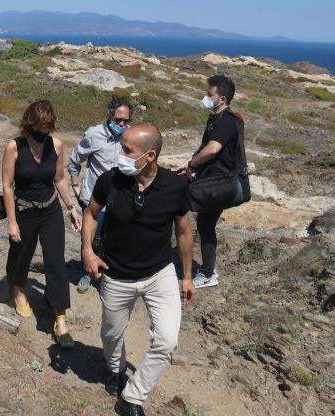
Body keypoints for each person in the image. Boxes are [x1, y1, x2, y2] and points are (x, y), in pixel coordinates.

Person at [81, 125, 196, 416]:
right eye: (121, 147)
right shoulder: (110, 180)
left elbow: (183, 233)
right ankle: (116, 369)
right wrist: (88, 251)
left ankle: (132, 397)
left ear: (150, 155)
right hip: (116, 275)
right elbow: (91, 213)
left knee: (167, 341)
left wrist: (186, 276)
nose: (120, 154)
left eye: (127, 150)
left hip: (159, 275)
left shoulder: (175, 186)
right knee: (111, 335)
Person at [2, 99, 82, 348]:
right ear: (30, 123)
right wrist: (12, 221)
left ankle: (60, 318)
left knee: (56, 261)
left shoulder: (56, 145)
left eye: (48, 126)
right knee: (21, 254)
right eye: (40, 126)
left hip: (50, 210)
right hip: (24, 209)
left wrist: (71, 207)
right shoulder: (15, 147)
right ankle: (18, 289)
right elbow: (7, 186)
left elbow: (59, 178)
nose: (44, 131)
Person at [175, 75, 239, 290]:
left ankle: (208, 273)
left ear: (221, 98)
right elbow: (206, 149)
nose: (205, 98)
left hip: (219, 182)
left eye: (209, 94)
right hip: (211, 179)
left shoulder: (228, 120)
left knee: (202, 222)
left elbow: (213, 149)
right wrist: (190, 165)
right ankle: (208, 268)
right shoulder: (216, 119)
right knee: (205, 223)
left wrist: (192, 165)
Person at [68, 96, 133, 294]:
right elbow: (74, 161)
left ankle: (109, 274)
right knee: (91, 238)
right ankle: (87, 272)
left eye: (125, 121)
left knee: (115, 238)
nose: (122, 124)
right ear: (110, 116)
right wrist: (76, 187)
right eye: (118, 120)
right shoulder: (94, 134)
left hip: (121, 198)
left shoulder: (130, 136)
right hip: (94, 199)